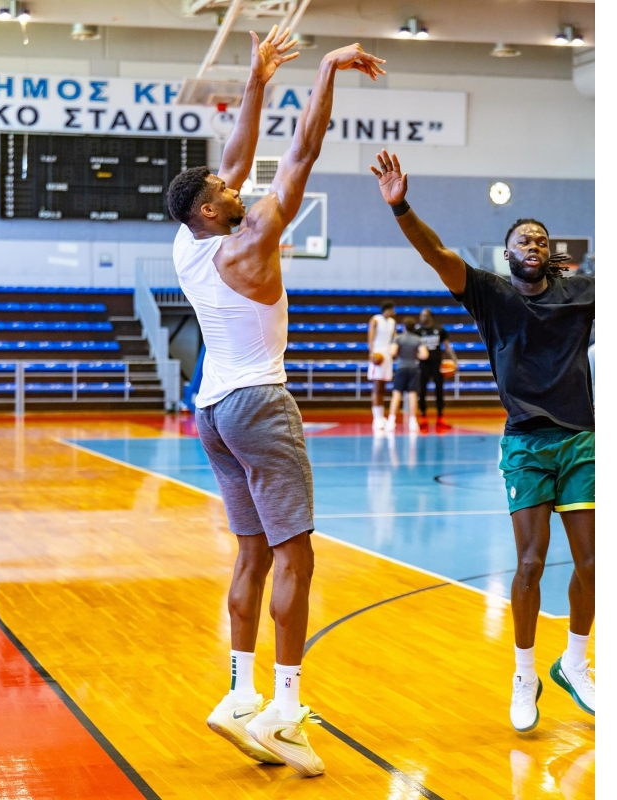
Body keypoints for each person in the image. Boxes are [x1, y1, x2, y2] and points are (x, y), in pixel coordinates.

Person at [166, 29, 386, 777]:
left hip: (212, 411)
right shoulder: (250, 238)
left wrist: (256, 79)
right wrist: (325, 70)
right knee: (296, 553)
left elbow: (235, 155)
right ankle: (286, 712)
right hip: (260, 402)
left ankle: (239, 694)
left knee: (252, 550)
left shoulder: (188, 242)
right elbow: (303, 151)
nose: (239, 186)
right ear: (210, 211)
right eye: (226, 191)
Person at [370, 150, 594, 733]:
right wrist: (401, 207)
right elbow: (436, 253)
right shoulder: (491, 294)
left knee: (594, 563)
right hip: (526, 444)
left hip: (581, 440)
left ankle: (574, 662)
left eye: (541, 239)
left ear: (550, 252)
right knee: (530, 562)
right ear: (507, 252)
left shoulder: (581, 293)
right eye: (523, 239)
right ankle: (524, 673)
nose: (533, 244)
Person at [414, 307, 458, 433]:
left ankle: (440, 418)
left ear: (430, 317)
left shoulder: (440, 330)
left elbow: (447, 347)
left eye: (424, 315)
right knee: (422, 391)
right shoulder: (418, 331)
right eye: (421, 315)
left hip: (437, 364)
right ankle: (423, 418)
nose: (421, 317)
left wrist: (454, 360)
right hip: (423, 365)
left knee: (439, 391)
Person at [386, 316, 429, 432]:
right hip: (413, 368)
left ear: (404, 327)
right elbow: (424, 355)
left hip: (401, 367)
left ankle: (391, 421)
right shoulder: (417, 339)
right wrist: (415, 355)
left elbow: (393, 352)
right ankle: (413, 422)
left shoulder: (398, 338)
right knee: (412, 395)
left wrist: (398, 354)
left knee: (396, 394)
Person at [368, 301, 396, 430]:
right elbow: (370, 337)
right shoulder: (376, 319)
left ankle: (381, 415)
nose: (394, 312)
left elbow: (395, 338)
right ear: (387, 309)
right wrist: (372, 352)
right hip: (378, 353)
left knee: (383, 387)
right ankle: (376, 418)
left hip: (387, 355)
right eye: (393, 309)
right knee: (377, 385)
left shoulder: (392, 322)